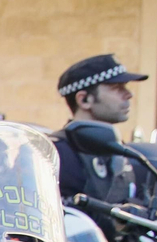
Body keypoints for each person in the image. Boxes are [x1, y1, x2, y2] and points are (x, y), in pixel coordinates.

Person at [51, 54, 147, 208]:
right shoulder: (57, 154)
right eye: (117, 88)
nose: (129, 94)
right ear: (84, 100)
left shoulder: (123, 152)